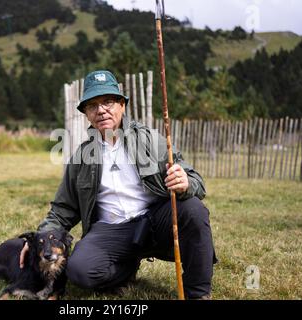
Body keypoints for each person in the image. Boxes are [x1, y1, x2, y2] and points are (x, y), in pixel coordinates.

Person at [20, 70, 217, 299]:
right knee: (79, 270)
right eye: (92, 105)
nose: (101, 110)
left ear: (122, 105)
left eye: (108, 102)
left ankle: (198, 292)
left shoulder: (152, 141)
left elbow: (197, 182)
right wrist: (38, 239)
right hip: (111, 230)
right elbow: (62, 211)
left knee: (192, 208)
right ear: (86, 114)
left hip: (155, 221)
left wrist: (185, 183)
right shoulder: (81, 158)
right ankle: (126, 268)